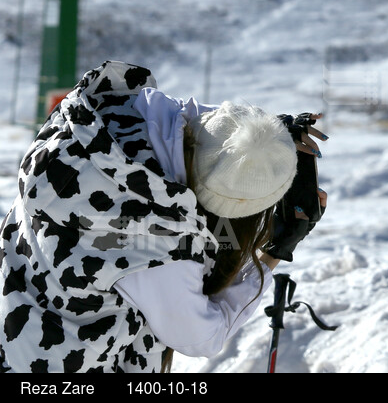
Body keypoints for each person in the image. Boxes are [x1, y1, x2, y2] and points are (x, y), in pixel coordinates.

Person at [0, 60, 327, 373]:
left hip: (11, 305)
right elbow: (203, 336)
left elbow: (199, 120)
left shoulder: (112, 112)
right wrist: (277, 248)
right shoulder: (157, 240)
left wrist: (269, 139)